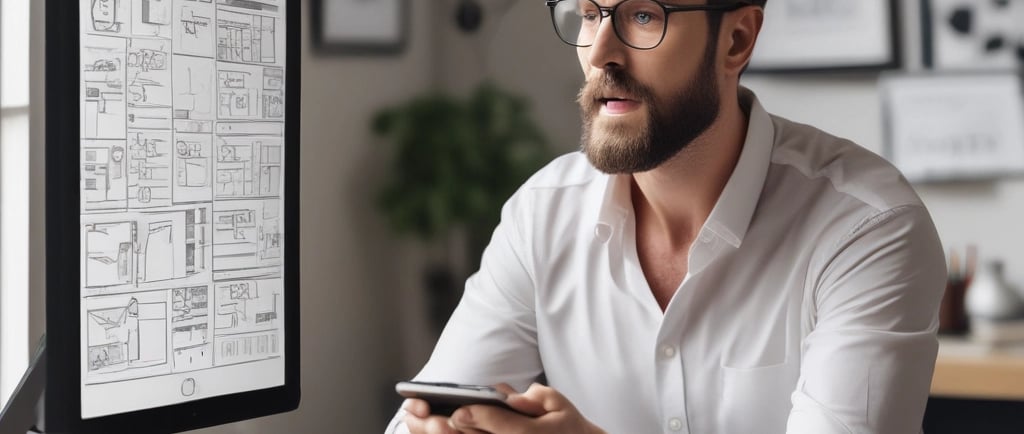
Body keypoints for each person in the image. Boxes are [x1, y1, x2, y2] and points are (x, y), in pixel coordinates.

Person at [387, 0, 946, 432]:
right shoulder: (542, 214)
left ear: (736, 39)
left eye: (644, 14)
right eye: (588, 13)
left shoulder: (868, 227)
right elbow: (427, 412)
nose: (601, 50)